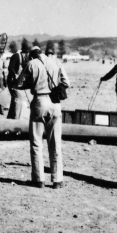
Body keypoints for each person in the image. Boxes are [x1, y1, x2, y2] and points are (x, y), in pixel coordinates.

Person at [13, 46, 70, 189]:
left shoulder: (31, 64)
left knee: (37, 143)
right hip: (55, 104)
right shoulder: (55, 61)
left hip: (39, 102)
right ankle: (57, 180)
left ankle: (39, 180)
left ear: (31, 56)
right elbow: (67, 83)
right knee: (55, 142)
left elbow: (19, 84)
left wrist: (32, 83)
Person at [7, 40, 31, 120]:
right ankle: (16, 119)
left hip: (19, 83)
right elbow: (10, 67)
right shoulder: (16, 56)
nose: (27, 55)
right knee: (18, 99)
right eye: (26, 53)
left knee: (16, 100)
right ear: (24, 52)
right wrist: (15, 74)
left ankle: (10, 118)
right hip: (12, 82)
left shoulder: (27, 59)